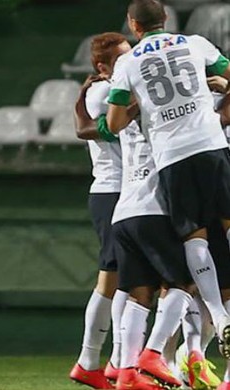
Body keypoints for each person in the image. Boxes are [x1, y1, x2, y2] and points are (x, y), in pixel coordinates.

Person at [106, 0, 230, 358]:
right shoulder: (195, 43)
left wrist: (141, 103)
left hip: (172, 158)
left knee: (194, 236)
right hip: (210, 144)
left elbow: (113, 124)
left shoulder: (127, 63)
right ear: (165, 19)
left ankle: (220, 318)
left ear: (133, 24)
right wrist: (220, 83)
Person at [68, 32, 129, 390]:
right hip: (116, 190)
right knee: (118, 279)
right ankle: (106, 362)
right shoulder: (106, 92)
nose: (130, 64)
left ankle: (99, 362)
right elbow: (95, 129)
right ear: (102, 68)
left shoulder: (98, 90)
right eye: (120, 61)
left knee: (117, 278)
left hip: (118, 190)